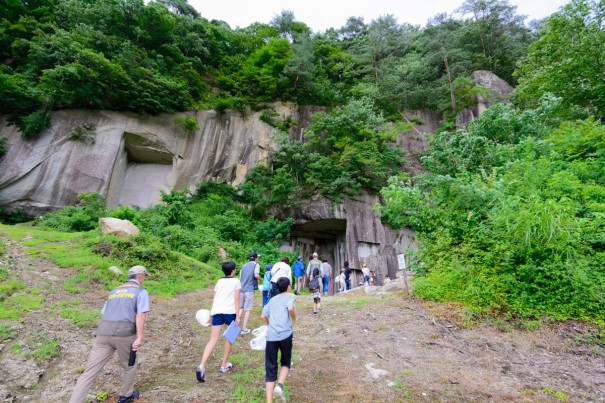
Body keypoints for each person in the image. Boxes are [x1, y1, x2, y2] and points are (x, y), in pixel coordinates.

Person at [69, 265, 150, 403]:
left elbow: (104, 312)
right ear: (140, 276)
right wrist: (139, 337)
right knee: (129, 365)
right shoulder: (141, 291)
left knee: (89, 372)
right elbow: (140, 315)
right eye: (144, 277)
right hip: (124, 334)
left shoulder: (113, 291)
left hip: (103, 334)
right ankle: (126, 395)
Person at [196, 261, 241, 383]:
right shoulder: (236, 281)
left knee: (213, 339)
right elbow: (236, 300)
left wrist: (211, 314)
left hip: (217, 311)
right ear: (233, 271)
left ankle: (202, 365)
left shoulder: (219, 282)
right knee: (229, 338)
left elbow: (215, 299)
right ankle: (224, 365)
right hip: (230, 312)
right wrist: (237, 316)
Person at [261, 277, 296, 403]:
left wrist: (268, 326)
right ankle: (280, 385)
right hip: (285, 335)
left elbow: (263, 315)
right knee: (286, 362)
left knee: (270, 367)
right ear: (288, 287)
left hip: (271, 336)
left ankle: (269, 401)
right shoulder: (290, 296)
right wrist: (293, 319)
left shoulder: (272, 299)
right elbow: (291, 309)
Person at [239, 252, 261, 335]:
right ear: (255, 258)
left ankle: (233, 326)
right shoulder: (256, 265)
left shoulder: (244, 265)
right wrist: (261, 279)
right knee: (247, 309)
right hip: (249, 290)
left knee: (240, 308)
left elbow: (241, 277)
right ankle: (244, 329)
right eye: (257, 258)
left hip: (241, 289)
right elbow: (256, 275)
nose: (258, 259)